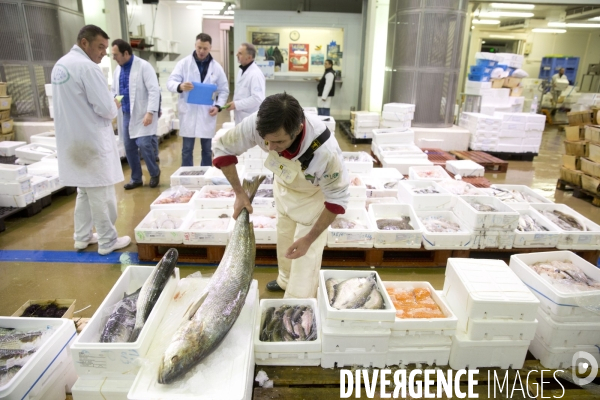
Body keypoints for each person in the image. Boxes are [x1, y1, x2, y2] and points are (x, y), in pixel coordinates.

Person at [213, 93, 350, 298]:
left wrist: (309, 238)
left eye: (278, 142)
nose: (270, 148)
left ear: (298, 129)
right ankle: (284, 280)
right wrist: (240, 194)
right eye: (265, 141)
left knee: (305, 255)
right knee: (284, 240)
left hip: (313, 199)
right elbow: (222, 147)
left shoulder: (325, 152)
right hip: (284, 188)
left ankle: (298, 302)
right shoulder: (258, 123)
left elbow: (337, 199)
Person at [51, 25, 131, 255]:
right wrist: (114, 104)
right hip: (91, 143)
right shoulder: (88, 68)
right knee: (101, 194)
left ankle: (82, 237)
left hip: (73, 142)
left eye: (106, 48)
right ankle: (107, 240)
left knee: (84, 193)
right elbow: (106, 108)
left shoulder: (61, 65)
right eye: (100, 47)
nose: (103, 53)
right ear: (84, 43)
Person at [167, 33, 229, 166]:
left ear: (210, 48)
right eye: (199, 47)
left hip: (207, 112)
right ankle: (186, 177)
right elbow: (170, 82)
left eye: (205, 48)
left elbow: (224, 90)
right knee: (187, 149)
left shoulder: (216, 67)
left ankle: (205, 176)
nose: (201, 51)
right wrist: (180, 86)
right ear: (195, 45)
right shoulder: (184, 64)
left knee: (207, 150)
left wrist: (218, 106)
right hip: (188, 112)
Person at [111, 39, 161, 189]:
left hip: (143, 113)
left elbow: (154, 90)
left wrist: (151, 112)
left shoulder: (144, 66)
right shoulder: (117, 70)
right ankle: (136, 179)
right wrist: (116, 99)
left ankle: (154, 172)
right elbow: (116, 90)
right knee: (129, 147)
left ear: (126, 53)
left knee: (144, 145)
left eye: (116, 55)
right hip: (126, 114)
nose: (114, 58)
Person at [225, 42, 266, 125]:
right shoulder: (241, 70)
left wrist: (236, 105)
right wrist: (235, 106)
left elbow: (257, 99)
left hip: (250, 119)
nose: (236, 55)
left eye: (240, 53)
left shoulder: (256, 74)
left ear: (249, 57)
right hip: (240, 117)